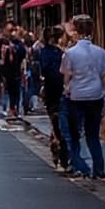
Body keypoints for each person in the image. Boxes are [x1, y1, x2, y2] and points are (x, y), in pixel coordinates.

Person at [61, 14, 105, 181]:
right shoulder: (101, 52)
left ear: (75, 30)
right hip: (96, 95)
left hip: (77, 96)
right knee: (93, 134)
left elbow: (67, 77)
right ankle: (98, 170)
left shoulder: (70, 53)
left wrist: (67, 89)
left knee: (75, 133)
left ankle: (80, 166)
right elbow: (104, 77)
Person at [38, 26, 69, 172]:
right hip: (62, 90)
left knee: (57, 122)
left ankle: (57, 149)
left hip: (53, 91)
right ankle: (61, 154)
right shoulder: (61, 53)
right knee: (61, 123)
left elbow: (44, 70)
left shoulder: (45, 52)